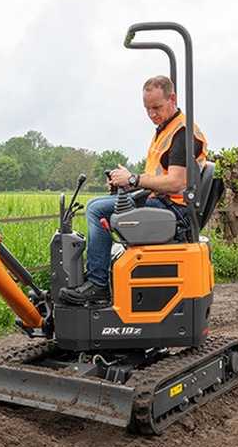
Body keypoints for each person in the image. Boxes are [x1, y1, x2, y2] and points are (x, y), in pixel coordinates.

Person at [60, 75, 207, 306]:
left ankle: (97, 284)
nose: (152, 114)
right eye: (147, 109)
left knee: (96, 210)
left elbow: (177, 182)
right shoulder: (166, 129)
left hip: (174, 210)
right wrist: (128, 183)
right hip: (162, 202)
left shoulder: (182, 133)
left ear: (173, 99)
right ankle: (100, 277)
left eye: (157, 107)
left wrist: (134, 178)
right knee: (101, 205)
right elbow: (158, 177)